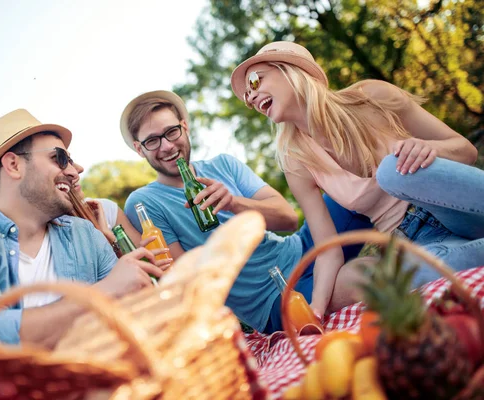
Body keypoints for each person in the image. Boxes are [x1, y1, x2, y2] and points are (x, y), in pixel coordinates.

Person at [231, 41, 484, 317]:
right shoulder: (297, 161)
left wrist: (430, 150)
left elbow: (466, 150)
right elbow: (329, 250)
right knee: (348, 279)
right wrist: (316, 308)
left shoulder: (372, 96)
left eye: (255, 81)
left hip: (459, 204)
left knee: (391, 171)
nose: (251, 98)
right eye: (246, 96)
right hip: (415, 240)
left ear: (290, 70)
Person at [0, 109, 169, 364]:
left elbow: (131, 318)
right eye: (59, 158)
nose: (74, 171)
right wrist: (103, 294)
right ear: (13, 165)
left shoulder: (85, 235)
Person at [119, 90, 373, 334]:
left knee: (362, 174)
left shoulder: (224, 164)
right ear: (139, 149)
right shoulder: (144, 203)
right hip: (274, 298)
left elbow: (287, 218)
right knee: (367, 274)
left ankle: (411, 229)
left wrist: (234, 203)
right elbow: (187, 281)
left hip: (300, 246)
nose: (166, 146)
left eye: (171, 132)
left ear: (184, 127)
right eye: (152, 140)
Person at [70, 162, 142, 245]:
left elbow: (144, 254)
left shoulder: (105, 208)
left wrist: (109, 237)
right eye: (63, 162)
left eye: (70, 161)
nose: (80, 168)